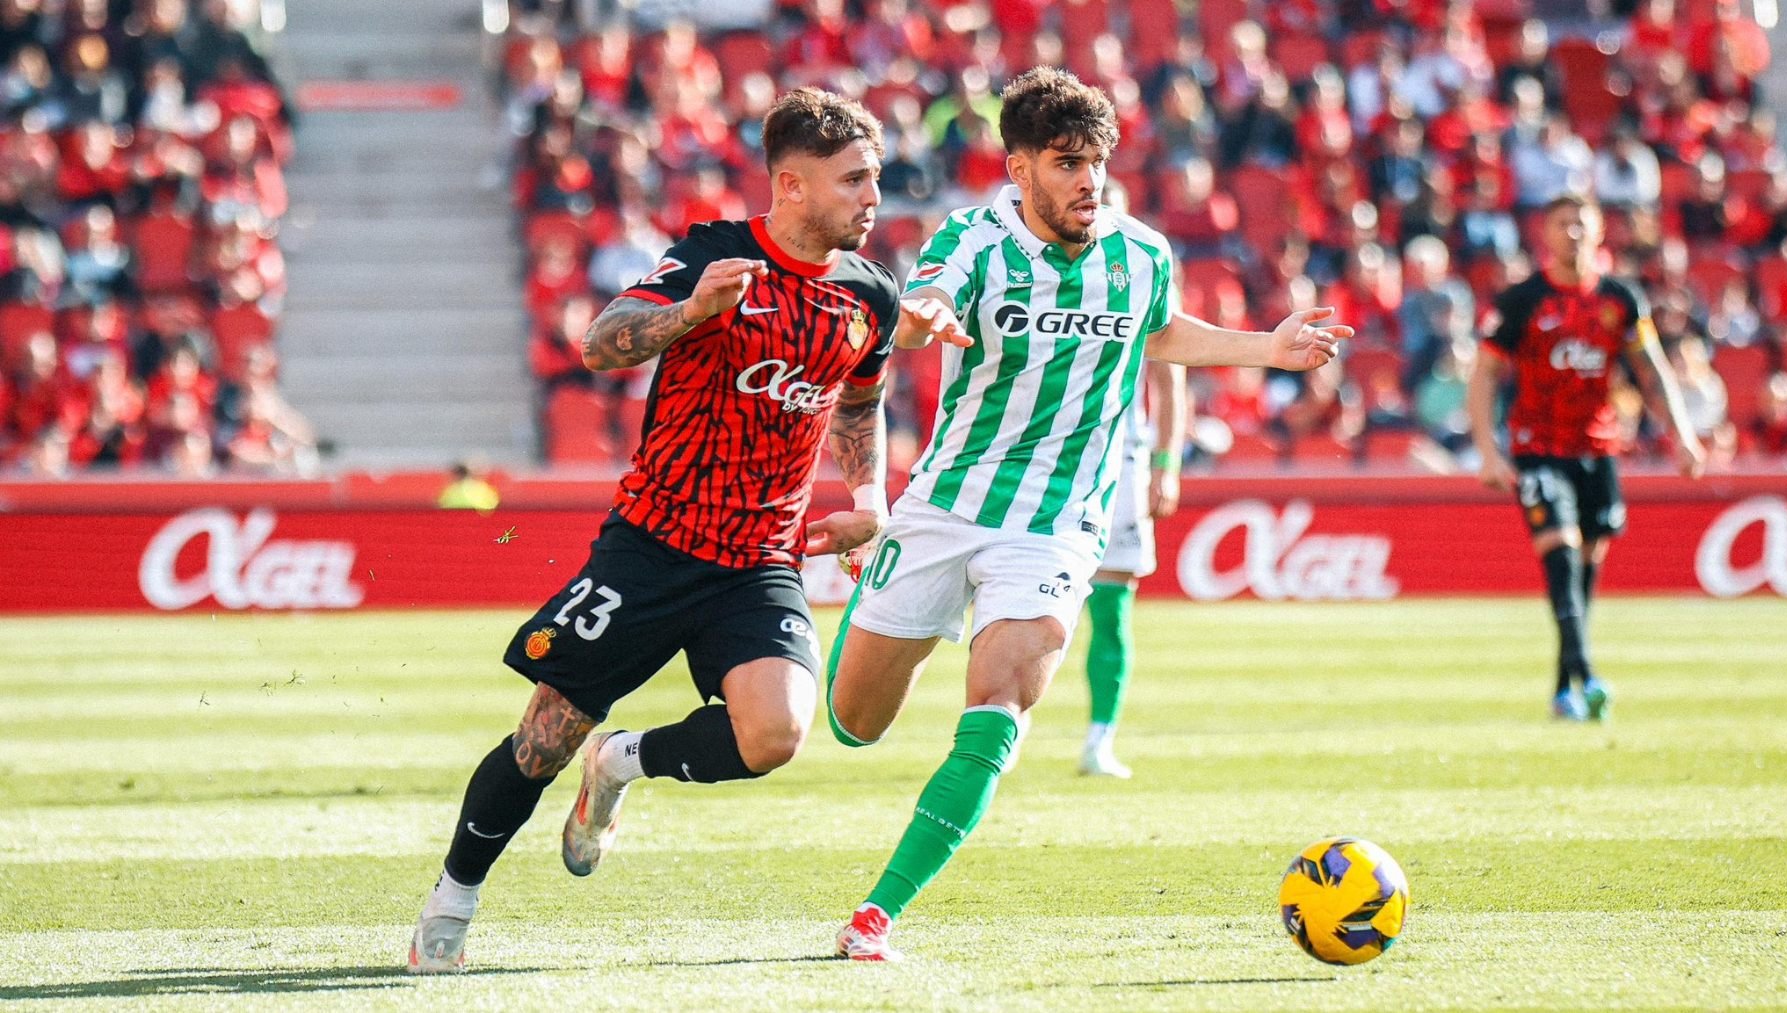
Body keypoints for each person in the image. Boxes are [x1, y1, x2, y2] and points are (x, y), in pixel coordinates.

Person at [406, 87, 967, 974]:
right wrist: (689, 315)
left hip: (758, 560)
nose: (874, 197)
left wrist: (872, 497)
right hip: (653, 545)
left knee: (775, 735)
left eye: (876, 178)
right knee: (539, 740)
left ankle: (621, 762)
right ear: (789, 186)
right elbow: (602, 343)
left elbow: (862, 396)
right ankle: (454, 899)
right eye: (854, 180)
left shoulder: (869, 292)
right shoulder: (715, 255)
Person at [823, 67, 1347, 961]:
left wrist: (1267, 347)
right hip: (948, 504)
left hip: (1060, 521)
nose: (1089, 181)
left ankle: (876, 916)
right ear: (1019, 167)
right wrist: (925, 315)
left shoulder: (1141, 252)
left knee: (1000, 707)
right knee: (851, 722)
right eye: (1067, 163)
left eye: (1097, 161)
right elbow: (922, 311)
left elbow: (1163, 330)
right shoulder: (974, 241)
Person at [1467, 192, 1704, 724]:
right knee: (1561, 554)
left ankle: (1562, 689)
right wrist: (1489, 450)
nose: (1572, 232)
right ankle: (1590, 676)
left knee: (1584, 574)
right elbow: (1483, 375)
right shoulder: (1521, 301)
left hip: (1597, 450)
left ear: (1599, 232)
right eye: (1561, 223)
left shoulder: (1622, 300)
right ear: (1544, 234)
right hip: (1537, 447)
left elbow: (1651, 370)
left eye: (1581, 223)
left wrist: (1682, 434)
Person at [1077, 177, 1188, 779]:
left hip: (1122, 455)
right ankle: (1007, 721)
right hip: (1050, 456)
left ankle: (1100, 737)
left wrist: (1166, 465)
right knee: (1026, 603)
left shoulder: (1142, 274)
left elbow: (1171, 379)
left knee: (1112, 605)